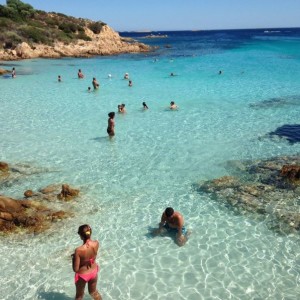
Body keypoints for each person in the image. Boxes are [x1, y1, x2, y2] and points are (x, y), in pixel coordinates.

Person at [72, 224, 102, 300]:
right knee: (94, 292)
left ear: (81, 236)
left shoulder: (78, 250)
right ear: (90, 233)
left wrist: (73, 258)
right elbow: (91, 256)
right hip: (94, 272)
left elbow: (75, 269)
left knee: (79, 296)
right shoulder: (96, 243)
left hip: (83, 275)